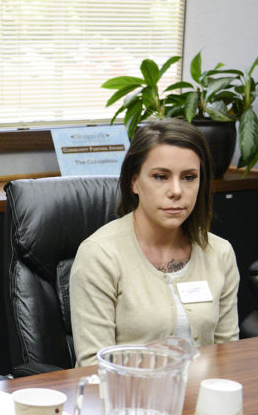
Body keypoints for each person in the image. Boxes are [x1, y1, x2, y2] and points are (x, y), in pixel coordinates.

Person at [70, 119, 239, 366]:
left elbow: (229, 356)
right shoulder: (99, 255)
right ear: (134, 182)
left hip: (203, 400)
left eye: (189, 177)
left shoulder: (219, 253)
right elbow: (94, 368)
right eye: (161, 176)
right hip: (127, 401)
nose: (176, 190)